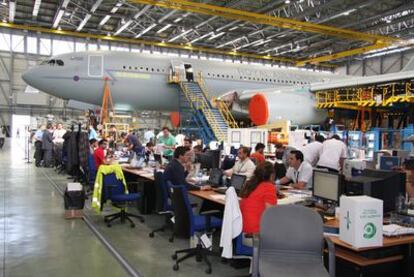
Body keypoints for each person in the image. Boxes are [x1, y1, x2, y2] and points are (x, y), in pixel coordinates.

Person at [239, 162, 277, 238]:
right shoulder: (269, 187)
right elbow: (270, 214)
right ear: (271, 175)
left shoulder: (250, 184)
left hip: (242, 228)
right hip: (255, 232)